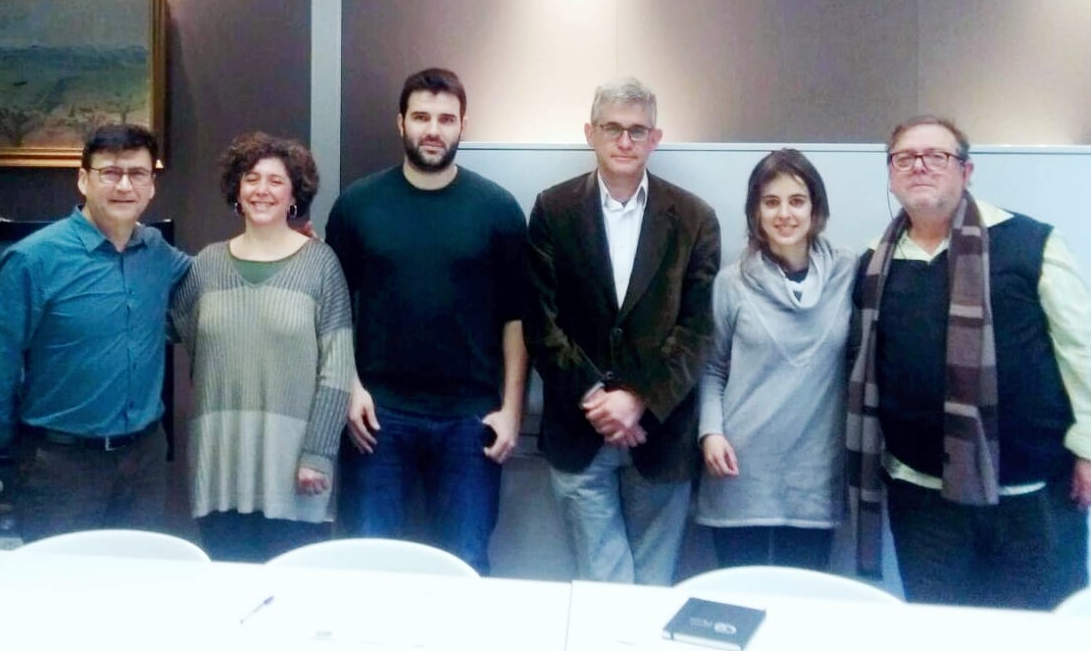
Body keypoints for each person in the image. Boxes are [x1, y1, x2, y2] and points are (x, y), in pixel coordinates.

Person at [847, 115, 1091, 609]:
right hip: (921, 498)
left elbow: (1086, 351)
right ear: (891, 175)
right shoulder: (873, 262)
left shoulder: (1031, 243)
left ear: (966, 171)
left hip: (1030, 494)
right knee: (944, 635)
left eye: (936, 155)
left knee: (1036, 635)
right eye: (905, 158)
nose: (919, 166)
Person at [324, 67, 528, 574]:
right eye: (421, 117)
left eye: (445, 119)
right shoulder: (357, 205)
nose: (433, 130)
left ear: (463, 125)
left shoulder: (498, 209)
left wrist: (511, 411)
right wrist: (350, 388)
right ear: (401, 123)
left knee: (466, 564)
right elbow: (333, 308)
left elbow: (517, 318)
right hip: (377, 416)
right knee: (366, 565)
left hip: (470, 419)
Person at [526, 76, 720, 585]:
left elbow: (697, 330)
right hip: (578, 429)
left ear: (656, 138)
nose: (625, 141)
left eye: (638, 130)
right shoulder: (553, 210)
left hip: (661, 434)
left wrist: (637, 398)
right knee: (602, 585)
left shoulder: (695, 218)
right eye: (613, 128)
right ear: (590, 133)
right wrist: (597, 398)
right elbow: (541, 322)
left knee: (653, 587)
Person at [0, 124, 190, 542]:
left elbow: (215, 274)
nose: (124, 185)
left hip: (143, 462)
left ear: (151, 186)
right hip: (60, 467)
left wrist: (288, 246)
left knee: (138, 576)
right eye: (110, 172)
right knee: (59, 580)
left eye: (137, 173)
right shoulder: (34, 259)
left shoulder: (157, 251)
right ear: (83, 179)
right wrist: (16, 445)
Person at [170, 132, 354, 562]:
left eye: (275, 180)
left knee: (294, 590)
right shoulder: (206, 265)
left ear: (294, 195)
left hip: (295, 467)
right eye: (251, 179)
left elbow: (337, 367)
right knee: (229, 586)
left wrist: (318, 455)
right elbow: (176, 337)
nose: (262, 190)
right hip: (220, 463)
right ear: (237, 191)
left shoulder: (320, 264)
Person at [695, 149, 856, 570]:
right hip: (739, 466)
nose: (784, 214)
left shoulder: (847, 273)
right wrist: (711, 433)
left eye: (797, 201)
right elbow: (712, 368)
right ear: (756, 212)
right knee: (738, 597)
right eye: (771, 202)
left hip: (814, 474)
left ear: (816, 209)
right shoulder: (731, 283)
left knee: (800, 600)